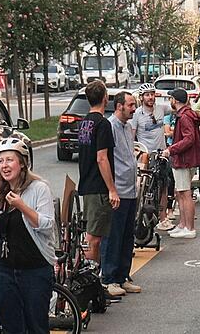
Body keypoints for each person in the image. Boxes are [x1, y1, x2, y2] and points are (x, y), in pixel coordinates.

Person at [0, 137, 57, 334]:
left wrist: (22, 206)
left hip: (34, 270)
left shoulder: (39, 188)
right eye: (1, 161)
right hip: (6, 270)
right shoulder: (0, 192)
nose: (4, 165)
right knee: (11, 327)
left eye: (9, 160)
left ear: (22, 163)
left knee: (36, 325)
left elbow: (46, 225)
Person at [102, 91, 142, 296]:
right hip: (118, 189)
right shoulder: (110, 126)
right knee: (113, 235)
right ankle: (109, 278)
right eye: (131, 105)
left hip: (130, 188)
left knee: (127, 235)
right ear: (119, 106)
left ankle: (122, 276)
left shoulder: (127, 127)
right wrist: (111, 189)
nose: (134, 108)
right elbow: (105, 159)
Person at [76, 81, 117, 265]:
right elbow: (102, 158)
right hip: (99, 187)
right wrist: (112, 189)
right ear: (105, 98)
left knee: (92, 234)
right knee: (94, 238)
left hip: (87, 184)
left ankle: (88, 275)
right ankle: (89, 279)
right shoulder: (102, 124)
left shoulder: (84, 122)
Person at [162, 88, 200, 239]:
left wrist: (171, 149)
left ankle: (189, 227)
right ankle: (183, 224)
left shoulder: (184, 116)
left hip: (184, 159)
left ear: (175, 100)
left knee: (185, 193)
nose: (170, 101)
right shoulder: (186, 114)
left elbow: (189, 139)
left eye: (171, 99)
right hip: (187, 159)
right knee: (181, 192)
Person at [132, 83, 173, 231]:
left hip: (161, 153)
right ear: (142, 97)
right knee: (142, 185)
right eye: (147, 95)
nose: (150, 97)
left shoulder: (161, 108)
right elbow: (132, 135)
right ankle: (139, 213)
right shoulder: (137, 114)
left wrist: (172, 96)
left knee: (163, 185)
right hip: (145, 154)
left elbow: (177, 106)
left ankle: (163, 217)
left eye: (152, 94)